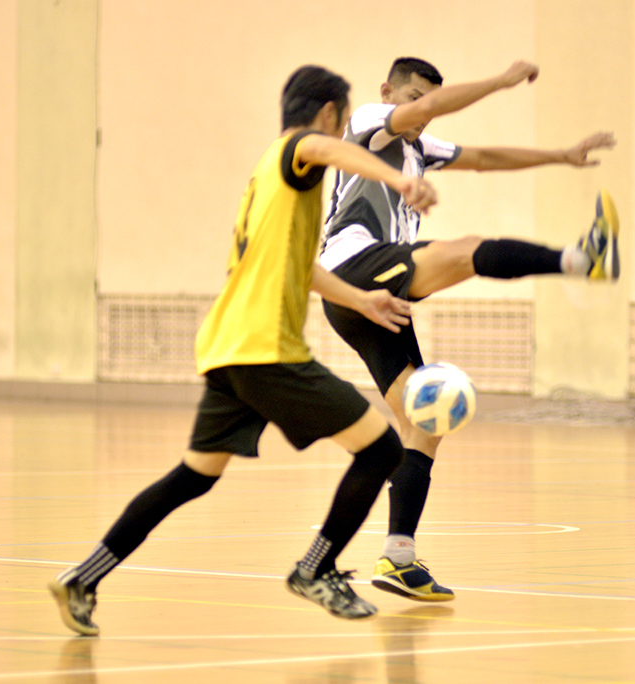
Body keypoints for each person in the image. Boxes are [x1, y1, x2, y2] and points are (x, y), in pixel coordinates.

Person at [48, 65, 440, 635]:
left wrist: (361, 298)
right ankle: (316, 570)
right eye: (340, 122)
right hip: (266, 351)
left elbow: (299, 267)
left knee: (194, 475)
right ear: (330, 114)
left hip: (226, 349)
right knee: (381, 448)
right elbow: (323, 150)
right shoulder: (296, 150)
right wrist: (402, 181)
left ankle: (83, 576)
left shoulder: (270, 179)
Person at [318, 57, 619, 601]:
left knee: (423, 420)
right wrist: (502, 82)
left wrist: (562, 155)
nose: (421, 113)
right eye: (409, 98)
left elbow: (482, 158)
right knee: (464, 250)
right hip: (353, 269)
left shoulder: (416, 146)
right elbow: (430, 107)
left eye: (422, 103)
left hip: (369, 302)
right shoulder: (368, 120)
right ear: (389, 92)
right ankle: (580, 260)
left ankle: (399, 558)